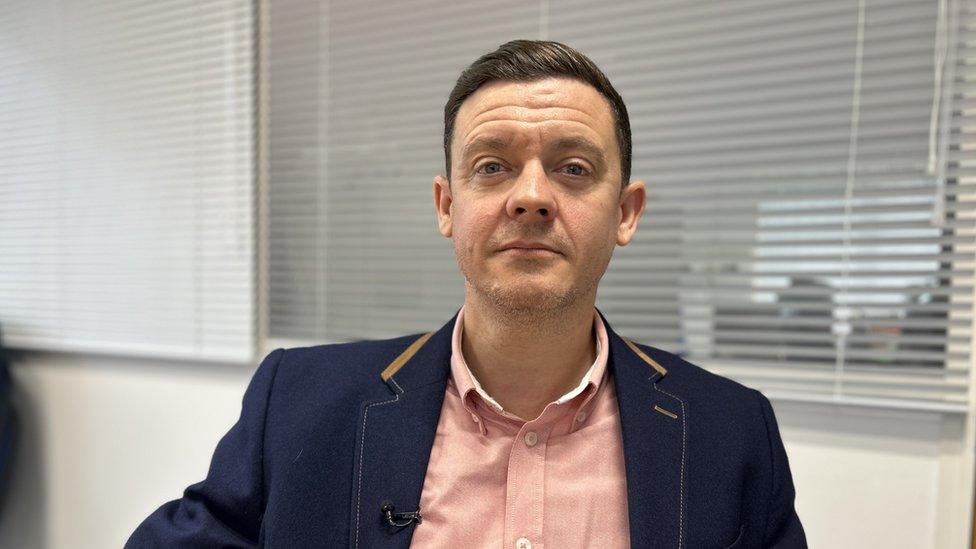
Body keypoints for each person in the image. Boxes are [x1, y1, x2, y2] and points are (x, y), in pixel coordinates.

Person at [127, 40, 806, 548]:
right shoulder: (301, 404)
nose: (533, 196)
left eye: (573, 168)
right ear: (448, 205)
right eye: (493, 166)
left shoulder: (732, 434)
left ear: (625, 212)